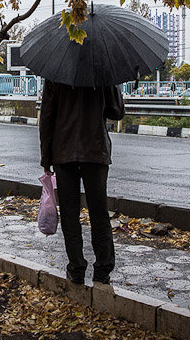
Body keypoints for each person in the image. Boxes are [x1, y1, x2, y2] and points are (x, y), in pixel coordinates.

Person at [39, 80, 124, 286]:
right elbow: (117, 112)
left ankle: (76, 268)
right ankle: (103, 269)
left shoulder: (56, 75)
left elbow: (47, 118)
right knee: (99, 211)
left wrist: (46, 158)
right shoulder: (102, 72)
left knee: (70, 213)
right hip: (95, 151)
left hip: (63, 151)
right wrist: (112, 86)